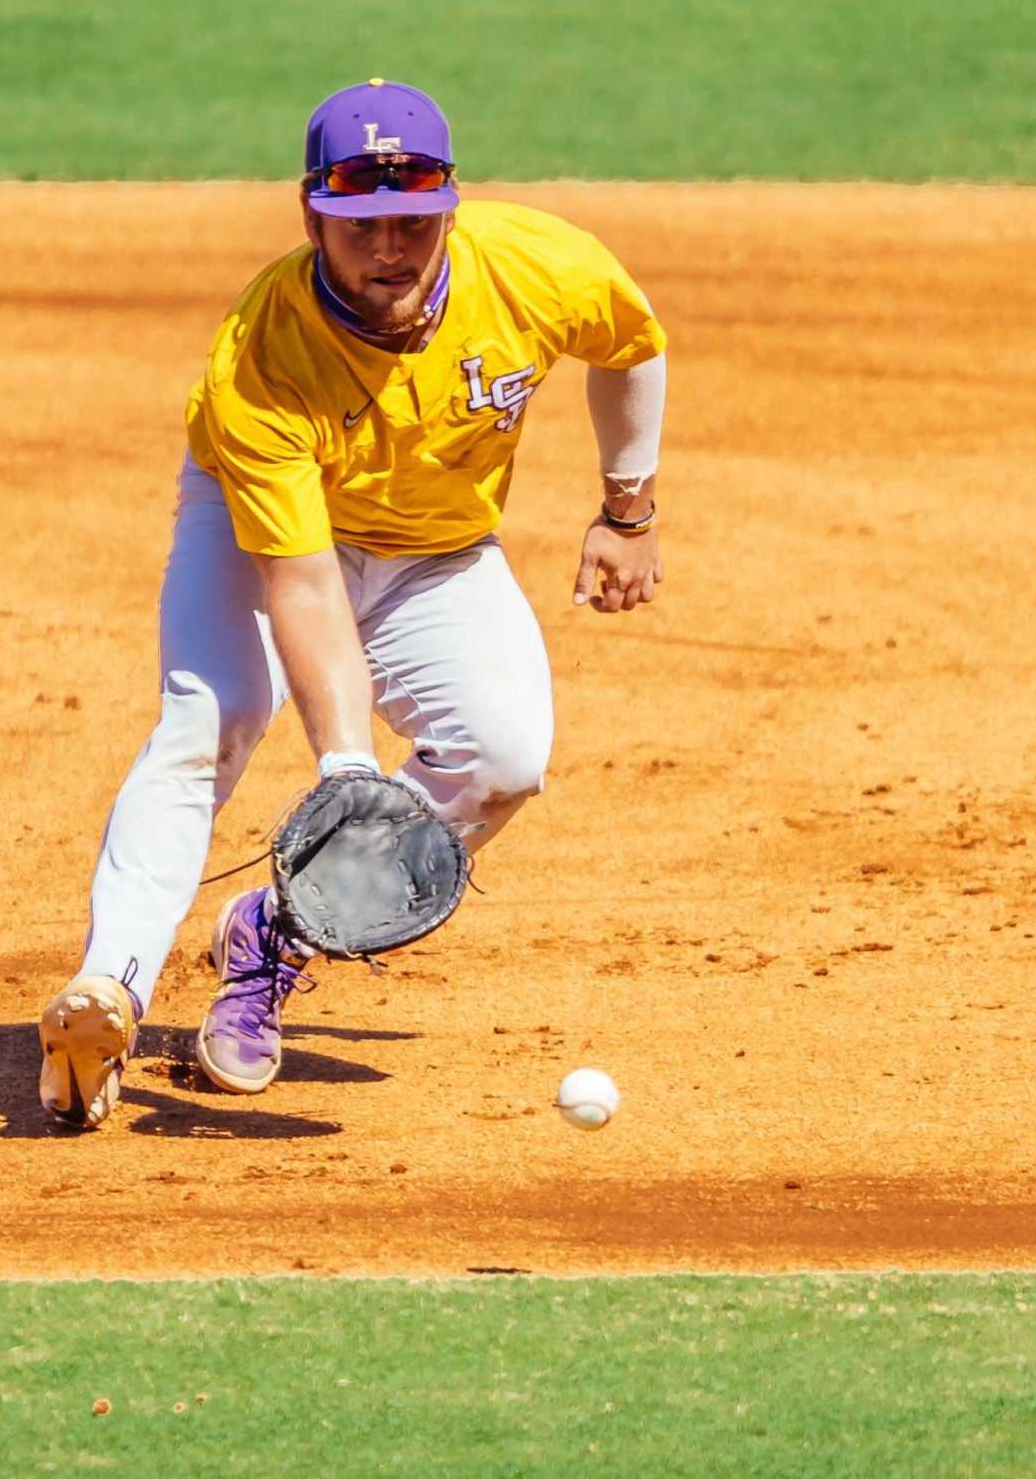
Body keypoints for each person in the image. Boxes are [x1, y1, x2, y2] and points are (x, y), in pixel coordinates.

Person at [36, 79, 669, 1130]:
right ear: (310, 217)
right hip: (272, 534)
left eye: (414, 223)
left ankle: (272, 937)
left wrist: (628, 510)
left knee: (505, 758)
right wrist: (343, 764)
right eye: (361, 225)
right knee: (212, 718)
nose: (391, 247)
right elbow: (304, 579)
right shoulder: (262, 353)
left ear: (451, 210)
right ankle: (109, 988)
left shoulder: (538, 269)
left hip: (437, 547)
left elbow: (632, 346)